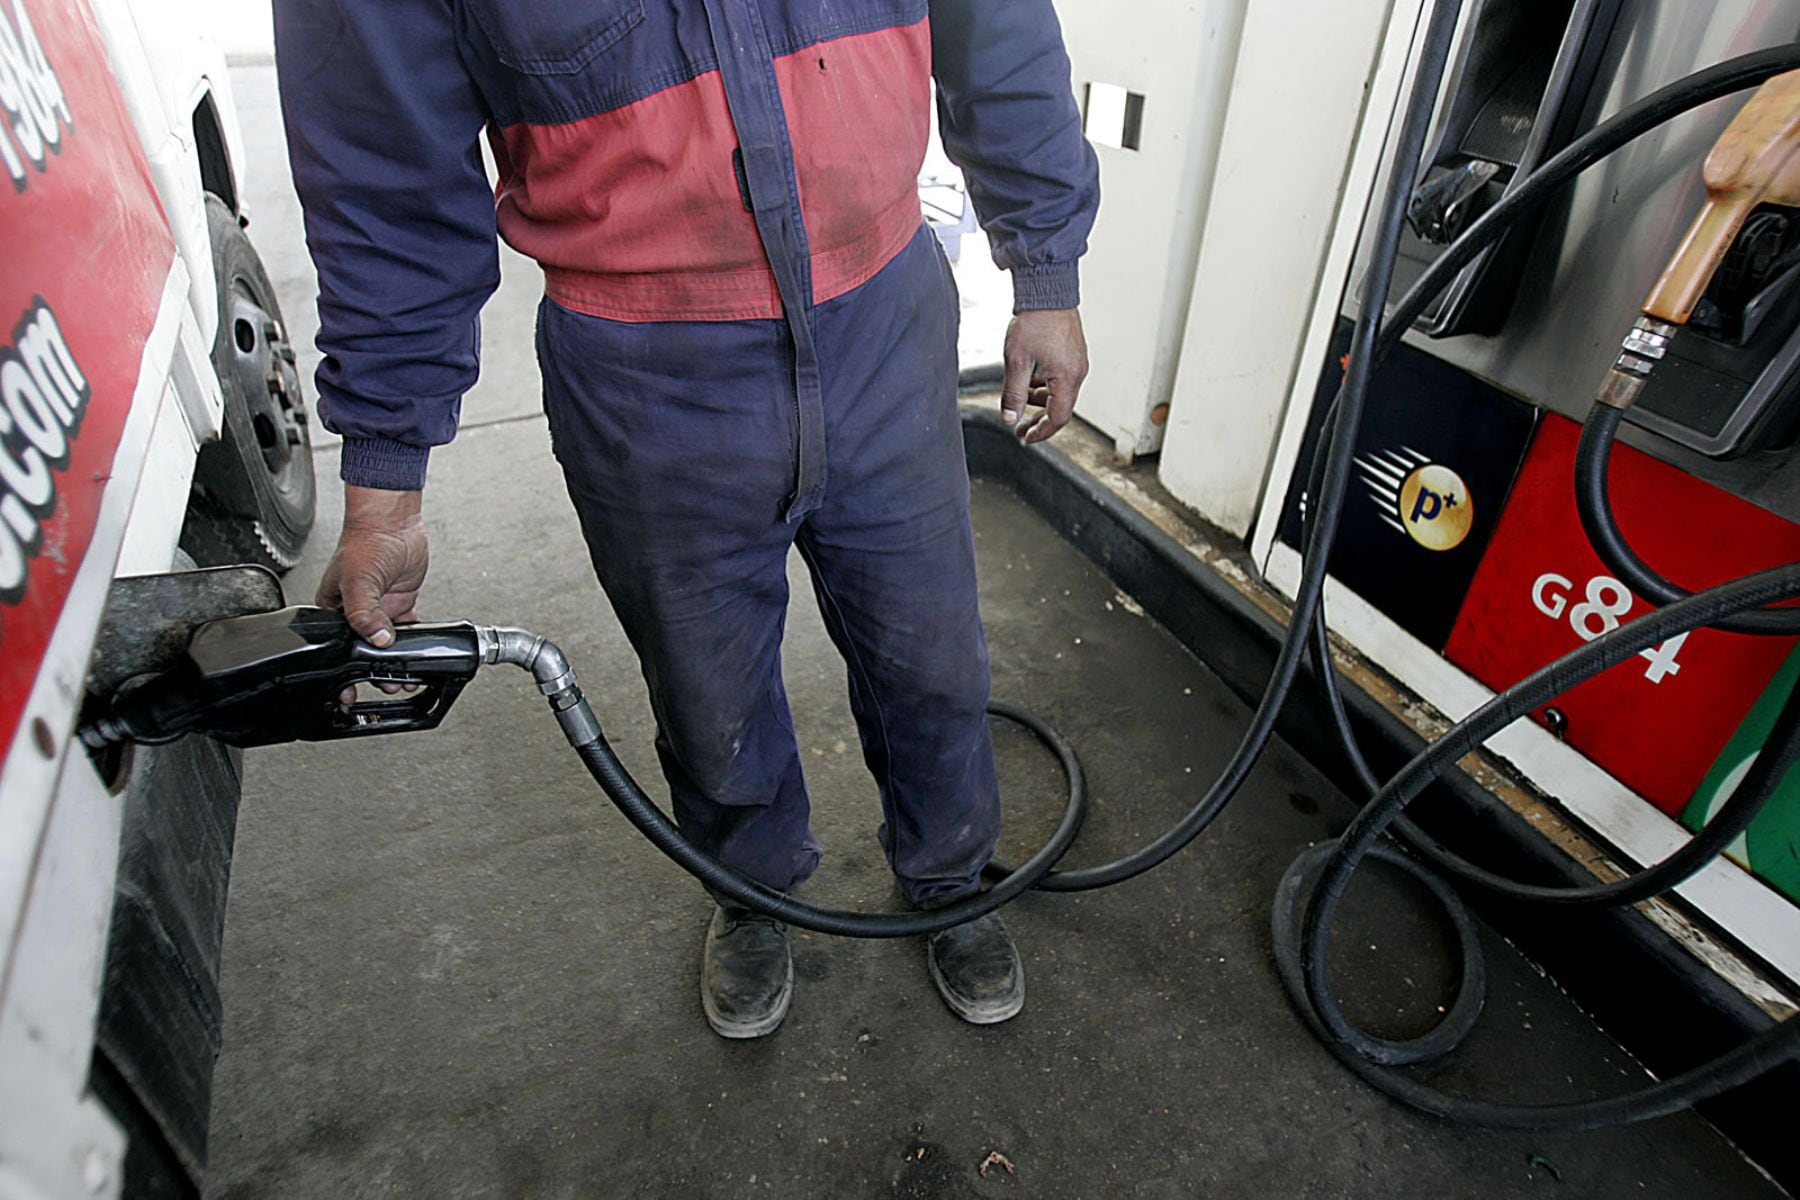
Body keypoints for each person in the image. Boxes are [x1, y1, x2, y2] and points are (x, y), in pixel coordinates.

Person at [274, 0, 1099, 1038]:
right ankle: (752, 893)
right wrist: (385, 488)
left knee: (931, 654)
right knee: (708, 691)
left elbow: (995, 23)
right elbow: (381, 175)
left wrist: (1047, 273)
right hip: (644, 369)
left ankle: (948, 874)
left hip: (882, 315)